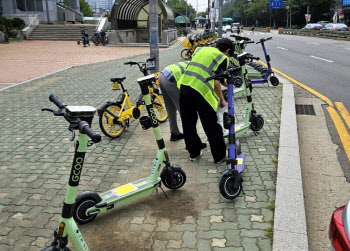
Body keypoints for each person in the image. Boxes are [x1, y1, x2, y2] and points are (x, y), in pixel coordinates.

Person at [177, 38, 234, 163]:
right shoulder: (222, 58)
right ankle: (219, 156)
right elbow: (216, 82)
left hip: (185, 88)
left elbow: (205, 71)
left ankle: (194, 153)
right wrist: (222, 99)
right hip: (201, 92)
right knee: (211, 125)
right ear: (228, 51)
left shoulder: (200, 50)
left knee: (188, 124)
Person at [158, 61, 189, 141]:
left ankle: (174, 133)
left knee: (170, 107)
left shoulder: (191, 63)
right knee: (184, 110)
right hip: (171, 79)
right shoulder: (199, 70)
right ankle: (190, 141)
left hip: (162, 76)